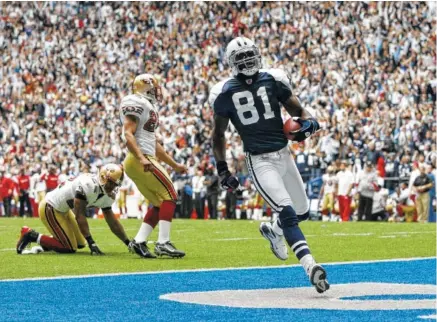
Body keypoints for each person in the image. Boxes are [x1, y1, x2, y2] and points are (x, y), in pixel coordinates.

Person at [209, 37, 329, 293]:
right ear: (231, 63)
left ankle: (274, 232)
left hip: (284, 155)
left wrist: (310, 124)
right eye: (241, 58)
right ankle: (311, 266)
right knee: (287, 213)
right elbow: (218, 135)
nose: (247, 61)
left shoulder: (273, 79)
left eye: (249, 55)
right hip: (260, 160)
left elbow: (300, 112)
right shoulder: (224, 92)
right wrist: (223, 169)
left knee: (302, 212)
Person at [121, 74, 188, 259]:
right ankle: (163, 243)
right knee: (171, 194)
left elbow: (155, 145)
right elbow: (127, 134)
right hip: (140, 158)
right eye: (154, 88)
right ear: (145, 87)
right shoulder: (136, 102)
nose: (157, 91)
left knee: (160, 203)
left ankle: (139, 241)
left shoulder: (147, 106)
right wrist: (142, 158)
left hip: (141, 158)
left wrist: (174, 165)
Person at [16, 164, 130, 255]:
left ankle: (49, 243)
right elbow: (80, 215)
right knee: (69, 248)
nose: (113, 187)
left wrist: (128, 242)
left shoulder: (103, 190)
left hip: (64, 210)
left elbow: (112, 221)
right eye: (111, 183)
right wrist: (92, 243)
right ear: (103, 178)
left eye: (115, 184)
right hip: (50, 207)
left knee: (80, 244)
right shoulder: (87, 185)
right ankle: (30, 235)